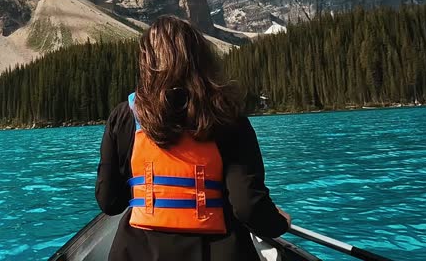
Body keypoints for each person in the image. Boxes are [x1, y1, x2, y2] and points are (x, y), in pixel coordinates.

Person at [96, 16, 290, 260]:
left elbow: (109, 202)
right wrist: (279, 223)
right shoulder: (228, 116)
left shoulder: (124, 116)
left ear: (147, 62)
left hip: (137, 251)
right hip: (218, 249)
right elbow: (247, 206)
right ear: (200, 59)